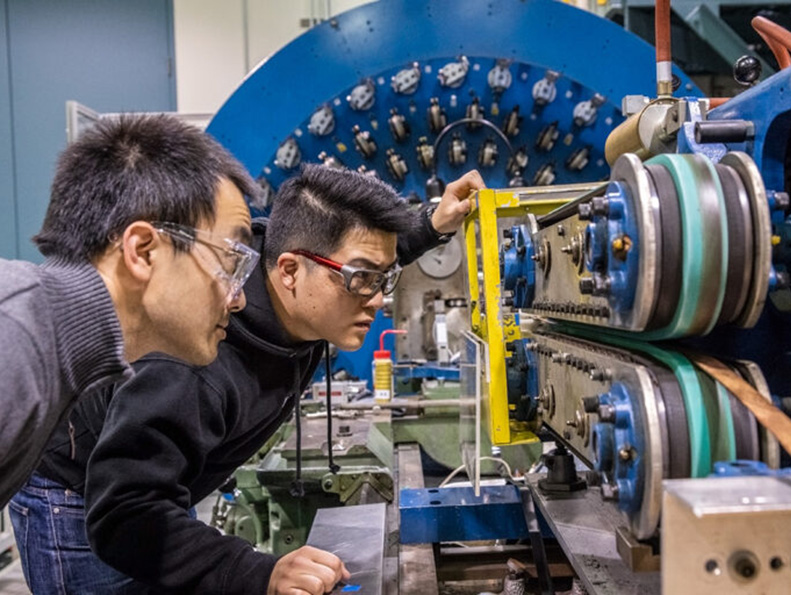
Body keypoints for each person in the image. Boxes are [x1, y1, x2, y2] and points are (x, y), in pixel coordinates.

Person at [14, 164, 485, 594]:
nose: (377, 299)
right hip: (77, 493)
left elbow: (357, 258)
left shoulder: (301, 269)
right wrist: (259, 572)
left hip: (147, 484)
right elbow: (125, 512)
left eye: (382, 279)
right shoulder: (194, 360)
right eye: (364, 280)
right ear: (289, 271)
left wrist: (430, 224)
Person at [0, 114, 259, 508]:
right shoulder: (15, 345)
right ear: (142, 251)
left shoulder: (54, 351)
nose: (237, 299)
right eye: (228, 262)